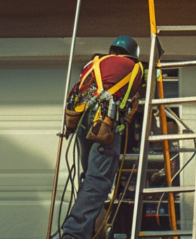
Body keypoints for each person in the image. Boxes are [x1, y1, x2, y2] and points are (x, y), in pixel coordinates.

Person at [61, 36, 144, 239]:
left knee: (89, 177)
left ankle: (88, 230)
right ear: (132, 53)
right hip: (105, 125)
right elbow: (131, 96)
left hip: (83, 123)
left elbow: (75, 92)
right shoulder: (135, 66)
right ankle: (75, 233)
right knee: (98, 181)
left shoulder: (93, 63)